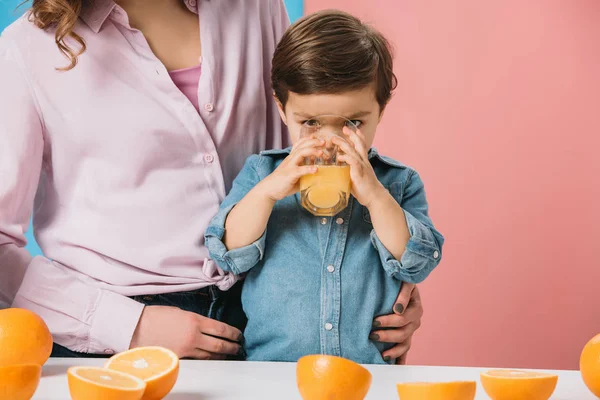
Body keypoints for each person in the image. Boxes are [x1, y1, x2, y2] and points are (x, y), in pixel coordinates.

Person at [0, 0, 422, 363]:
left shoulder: (255, 8)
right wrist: (126, 324)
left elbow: (303, 161)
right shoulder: (27, 50)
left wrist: (379, 283)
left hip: (267, 324)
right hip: (115, 339)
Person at [205, 10, 444, 364]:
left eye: (353, 123)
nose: (330, 140)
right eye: (311, 122)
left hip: (367, 375)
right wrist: (269, 192)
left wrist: (376, 197)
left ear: (381, 109)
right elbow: (227, 253)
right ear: (282, 110)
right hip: (270, 374)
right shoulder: (263, 173)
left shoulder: (398, 182)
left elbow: (416, 263)